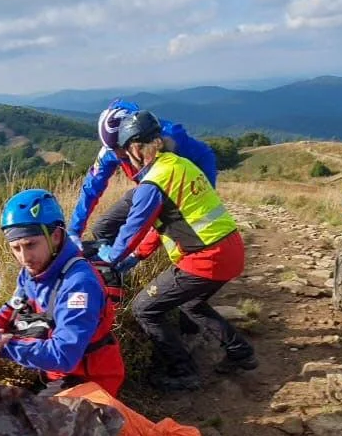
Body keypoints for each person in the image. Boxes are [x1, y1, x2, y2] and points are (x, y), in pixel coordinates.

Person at [93, 110, 257, 392]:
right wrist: (136, 257)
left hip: (206, 259)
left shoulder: (153, 183)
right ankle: (240, 352)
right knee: (191, 303)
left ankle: (183, 371)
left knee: (144, 308)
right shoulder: (178, 165)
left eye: (125, 153)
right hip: (230, 250)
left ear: (135, 148)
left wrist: (112, 258)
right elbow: (165, 224)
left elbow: (133, 228)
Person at [0, 189, 125, 395]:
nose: (24, 257)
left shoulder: (79, 284)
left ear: (55, 236)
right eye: (16, 248)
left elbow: (64, 355)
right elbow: (15, 306)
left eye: (30, 245)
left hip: (90, 380)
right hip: (56, 374)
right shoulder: (34, 270)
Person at [68, 99, 219, 248]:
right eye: (112, 150)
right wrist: (74, 231)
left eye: (119, 149)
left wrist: (205, 191)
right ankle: (111, 268)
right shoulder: (110, 150)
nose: (117, 154)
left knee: (172, 232)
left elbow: (204, 156)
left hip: (178, 188)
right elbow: (91, 188)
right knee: (103, 229)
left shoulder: (169, 138)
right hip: (149, 187)